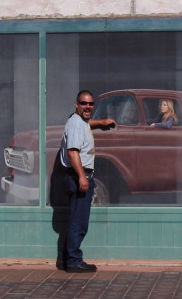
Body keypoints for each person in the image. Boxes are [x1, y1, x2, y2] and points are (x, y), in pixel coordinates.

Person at [58, 90, 115, 273]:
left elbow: (87, 123)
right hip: (78, 177)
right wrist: (82, 176)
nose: (88, 107)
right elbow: (73, 151)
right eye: (84, 103)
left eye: (90, 104)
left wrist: (101, 123)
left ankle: (69, 259)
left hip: (79, 176)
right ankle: (74, 262)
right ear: (77, 104)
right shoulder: (75, 125)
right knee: (78, 221)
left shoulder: (79, 121)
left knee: (77, 218)